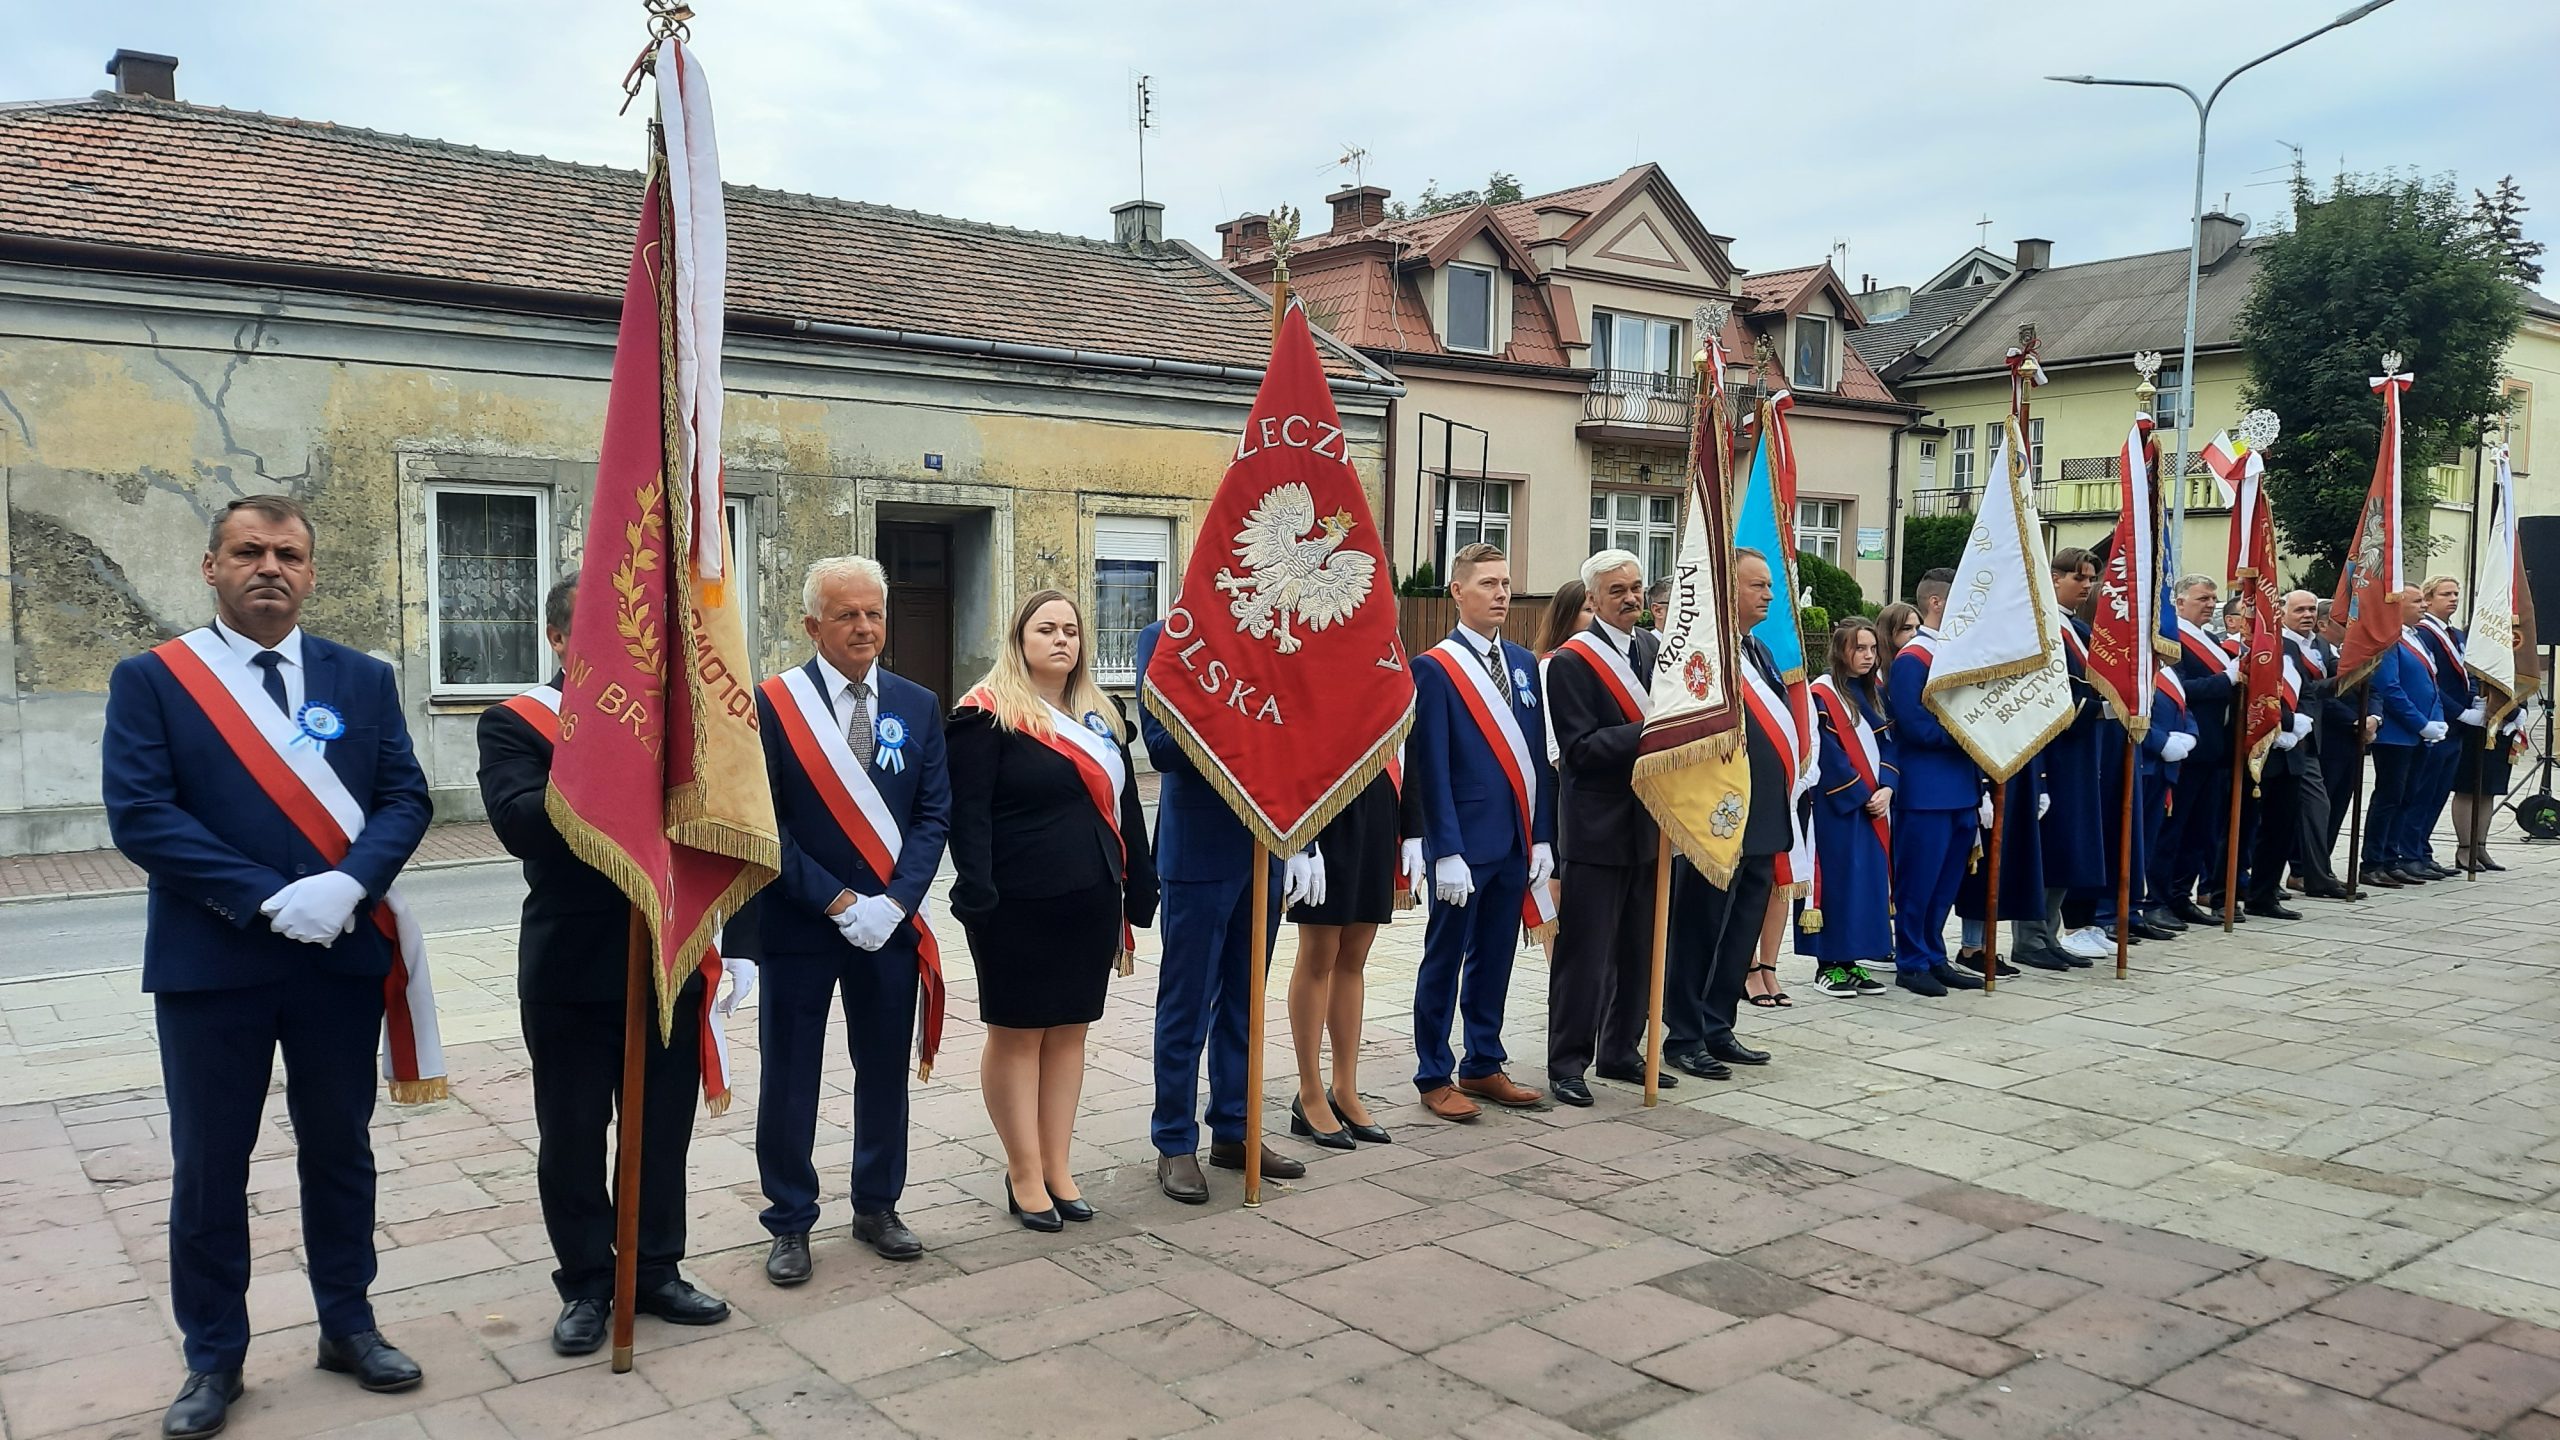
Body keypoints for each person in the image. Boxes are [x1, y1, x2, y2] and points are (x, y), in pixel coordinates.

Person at [105, 496, 433, 1438]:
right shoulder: (154, 679)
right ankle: (214, 1356)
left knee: (341, 1150)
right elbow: (142, 814)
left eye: (288, 554)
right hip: (214, 962)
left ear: (311, 573)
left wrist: (349, 885)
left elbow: (404, 798)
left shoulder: (362, 678)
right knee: (211, 1166)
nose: (270, 568)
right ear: (211, 566)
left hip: (336, 956)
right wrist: (264, 897)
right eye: (248, 551)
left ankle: (348, 1324)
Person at [479, 578, 732, 1355]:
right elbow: (521, 824)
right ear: (559, 640)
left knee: (660, 1129)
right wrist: (601, 751)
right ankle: (588, 1281)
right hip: (571, 966)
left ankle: (653, 1268)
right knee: (573, 1133)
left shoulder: (672, 722)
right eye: (596, 637)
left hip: (664, 955)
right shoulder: (515, 722)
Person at [747, 556, 950, 1278]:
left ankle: (877, 1204)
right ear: (812, 625)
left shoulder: (917, 704)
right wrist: (836, 901)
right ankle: (789, 1220)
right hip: (801, 922)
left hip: (888, 927)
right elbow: (763, 822)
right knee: (790, 1073)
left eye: (874, 614)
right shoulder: (773, 705)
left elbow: (933, 814)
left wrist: (894, 904)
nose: (864, 627)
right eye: (846, 615)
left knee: (884, 1069)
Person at [948, 590, 1158, 1229]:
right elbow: (968, 815)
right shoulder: (984, 715)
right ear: (1020, 640)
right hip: (1014, 903)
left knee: (1070, 1032)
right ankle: (1023, 1171)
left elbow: (1125, 807)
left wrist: (1141, 883)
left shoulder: (1101, 716)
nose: (1061, 639)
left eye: (1070, 629)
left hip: (1090, 899)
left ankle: (1058, 1167)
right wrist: (975, 892)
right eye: (1046, 629)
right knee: (1018, 1035)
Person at [1132, 619, 1307, 1202]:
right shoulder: (1167, 637)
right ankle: (1174, 1140)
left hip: (1263, 844)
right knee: (1187, 1003)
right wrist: (1234, 714)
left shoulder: (1271, 639)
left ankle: (1235, 1129)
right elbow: (1161, 748)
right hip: (1199, 850)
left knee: (1246, 1002)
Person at [1406, 542, 1552, 1120]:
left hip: (1514, 839)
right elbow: (1430, 765)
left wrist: (1543, 836)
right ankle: (1433, 1072)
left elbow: (1537, 757)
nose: (1501, 594)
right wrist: (1444, 848)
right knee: (1444, 959)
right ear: (1457, 591)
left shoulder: (1521, 663)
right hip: (1463, 847)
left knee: (1495, 957)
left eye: (1506, 583)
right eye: (1488, 583)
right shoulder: (1435, 668)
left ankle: (1484, 1062)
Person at [1543, 550, 1667, 1106]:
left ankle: (1621, 1049)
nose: (1631, 598)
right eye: (1617, 591)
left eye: (1636, 587)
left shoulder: (1653, 650)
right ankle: (1568, 1062)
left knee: (1640, 950)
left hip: (1649, 821)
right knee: (1585, 956)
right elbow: (1579, 749)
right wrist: (1651, 730)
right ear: (1592, 599)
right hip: (1596, 828)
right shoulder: (1572, 662)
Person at [1663, 550, 1789, 1074]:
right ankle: (1683, 1035)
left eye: (1769, 585)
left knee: (1739, 932)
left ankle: (1718, 1026)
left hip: (1763, 816)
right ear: (1727, 588)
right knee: (1700, 929)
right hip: (1716, 817)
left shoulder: (1758, 651)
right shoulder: (1704, 655)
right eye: (1757, 585)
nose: (1769, 595)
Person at [1283, 765, 1412, 1142]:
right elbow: (1297, 750)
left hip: (1379, 805)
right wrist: (1303, 840)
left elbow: (1411, 748)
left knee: (1355, 957)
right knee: (1319, 955)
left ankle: (1344, 1088)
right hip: (1326, 808)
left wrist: (1415, 829)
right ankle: (1309, 1091)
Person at [1885, 568, 1983, 997]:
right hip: (1926, 790)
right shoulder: (1913, 659)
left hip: (1960, 787)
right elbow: (1915, 725)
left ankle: (1934, 955)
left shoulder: (1956, 652)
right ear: (1935, 602)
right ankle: (1911, 961)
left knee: (1945, 885)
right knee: (1919, 883)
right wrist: (1970, 733)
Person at [1797, 619, 1894, 997]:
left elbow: (1892, 745)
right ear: (1841, 651)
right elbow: (1827, 753)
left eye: (1873, 649)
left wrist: (1888, 788)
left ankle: (1852, 960)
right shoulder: (1822, 694)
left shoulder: (1876, 692)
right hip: (1836, 808)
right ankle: (1828, 965)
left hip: (1874, 806)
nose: (1868, 656)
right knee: (1836, 883)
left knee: (1865, 884)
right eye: (1859, 649)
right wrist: (1862, 793)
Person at [2153, 576, 2239, 927]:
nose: (2210, 604)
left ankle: (2180, 895)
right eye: (2203, 598)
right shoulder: (2172, 639)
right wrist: (2226, 680)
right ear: (2180, 602)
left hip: (2214, 749)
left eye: (2213, 598)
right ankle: (2157, 900)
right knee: (2172, 831)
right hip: (2184, 747)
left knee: (2200, 832)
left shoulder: (2212, 640)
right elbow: (2179, 689)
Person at [2037, 548, 2107, 967]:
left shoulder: (2076, 627)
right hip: (2054, 751)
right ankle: (2032, 937)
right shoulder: (2043, 627)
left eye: (2090, 579)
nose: (2087, 586)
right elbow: (2049, 692)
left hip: (2080, 752)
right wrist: (2098, 708)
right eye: (2079, 578)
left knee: (2070, 844)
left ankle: (2050, 934)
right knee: (2052, 843)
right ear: (2055, 577)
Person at [2361, 589, 2445, 889]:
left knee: (2407, 797)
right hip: (2397, 735)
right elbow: (2390, 688)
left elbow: (2430, 682)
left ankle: (2391, 858)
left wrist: (2436, 719)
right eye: (2417, 601)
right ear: (2397, 607)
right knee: (2389, 798)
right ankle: (2372, 862)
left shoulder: (2415, 636)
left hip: (2420, 734)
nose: (2424, 605)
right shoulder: (2389, 639)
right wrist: (2420, 723)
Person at [2275, 592, 2354, 900]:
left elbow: (2340, 671)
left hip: (2309, 740)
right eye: (2299, 610)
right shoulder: (2280, 644)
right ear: (2282, 613)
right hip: (2282, 736)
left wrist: (2361, 663)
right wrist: (2338, 682)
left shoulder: (2318, 645)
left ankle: (2315, 875)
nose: (2307, 615)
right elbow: (2307, 688)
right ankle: (2265, 879)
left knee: (2318, 808)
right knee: (2276, 814)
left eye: (2311, 609)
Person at [2408, 576, 2476, 879]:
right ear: (2428, 598)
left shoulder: (2455, 634)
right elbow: (2432, 682)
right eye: (2446, 594)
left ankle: (2422, 850)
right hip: (2438, 722)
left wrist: (2475, 701)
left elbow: (2466, 672)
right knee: (2422, 792)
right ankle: (2410, 851)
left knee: (2438, 793)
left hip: (2456, 728)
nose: (2453, 598)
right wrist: (2460, 712)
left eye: (2456, 593)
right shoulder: (2425, 633)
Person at [2455, 698, 2539, 872]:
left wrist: (2520, 711)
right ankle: (2465, 849)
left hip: (2503, 729)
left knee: (2489, 790)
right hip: (2475, 726)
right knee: (2467, 789)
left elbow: (2519, 688)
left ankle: (2480, 846)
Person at [1877, 603, 1920, 668]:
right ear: (1888, 631)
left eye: (1918, 628)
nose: (1915, 634)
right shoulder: (1872, 666)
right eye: (1907, 628)